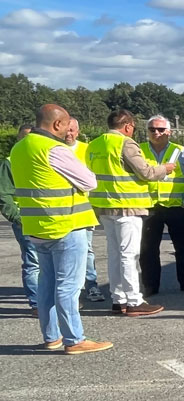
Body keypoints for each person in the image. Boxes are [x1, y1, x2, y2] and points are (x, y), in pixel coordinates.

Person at [11, 104, 111, 354]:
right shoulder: (54, 149)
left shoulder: (20, 147)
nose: (69, 131)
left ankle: (52, 336)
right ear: (57, 124)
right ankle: (74, 339)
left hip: (37, 225)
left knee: (46, 283)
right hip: (66, 224)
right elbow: (89, 181)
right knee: (68, 286)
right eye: (67, 125)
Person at [86, 109, 173, 316]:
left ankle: (118, 299)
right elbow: (146, 172)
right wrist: (165, 168)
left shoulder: (94, 145)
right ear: (127, 126)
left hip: (104, 206)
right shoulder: (125, 143)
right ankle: (134, 300)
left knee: (115, 254)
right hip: (127, 206)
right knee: (129, 255)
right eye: (133, 127)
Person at [139, 115, 184, 296]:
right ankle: (150, 286)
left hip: (176, 206)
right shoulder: (140, 150)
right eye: (152, 129)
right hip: (150, 207)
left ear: (169, 132)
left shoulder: (180, 151)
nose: (156, 133)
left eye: (160, 129)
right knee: (148, 248)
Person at [65, 117, 104, 303]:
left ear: (78, 131)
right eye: (66, 129)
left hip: (85, 209)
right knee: (64, 252)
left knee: (86, 249)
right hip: (61, 210)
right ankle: (72, 291)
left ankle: (91, 285)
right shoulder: (52, 150)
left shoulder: (87, 150)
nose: (69, 133)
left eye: (72, 130)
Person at [1, 124, 39, 313]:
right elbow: (4, 194)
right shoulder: (10, 161)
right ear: (18, 139)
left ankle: (47, 301)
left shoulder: (40, 158)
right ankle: (37, 304)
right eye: (24, 139)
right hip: (24, 220)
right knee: (33, 262)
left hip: (45, 220)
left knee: (48, 263)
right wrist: (17, 217)